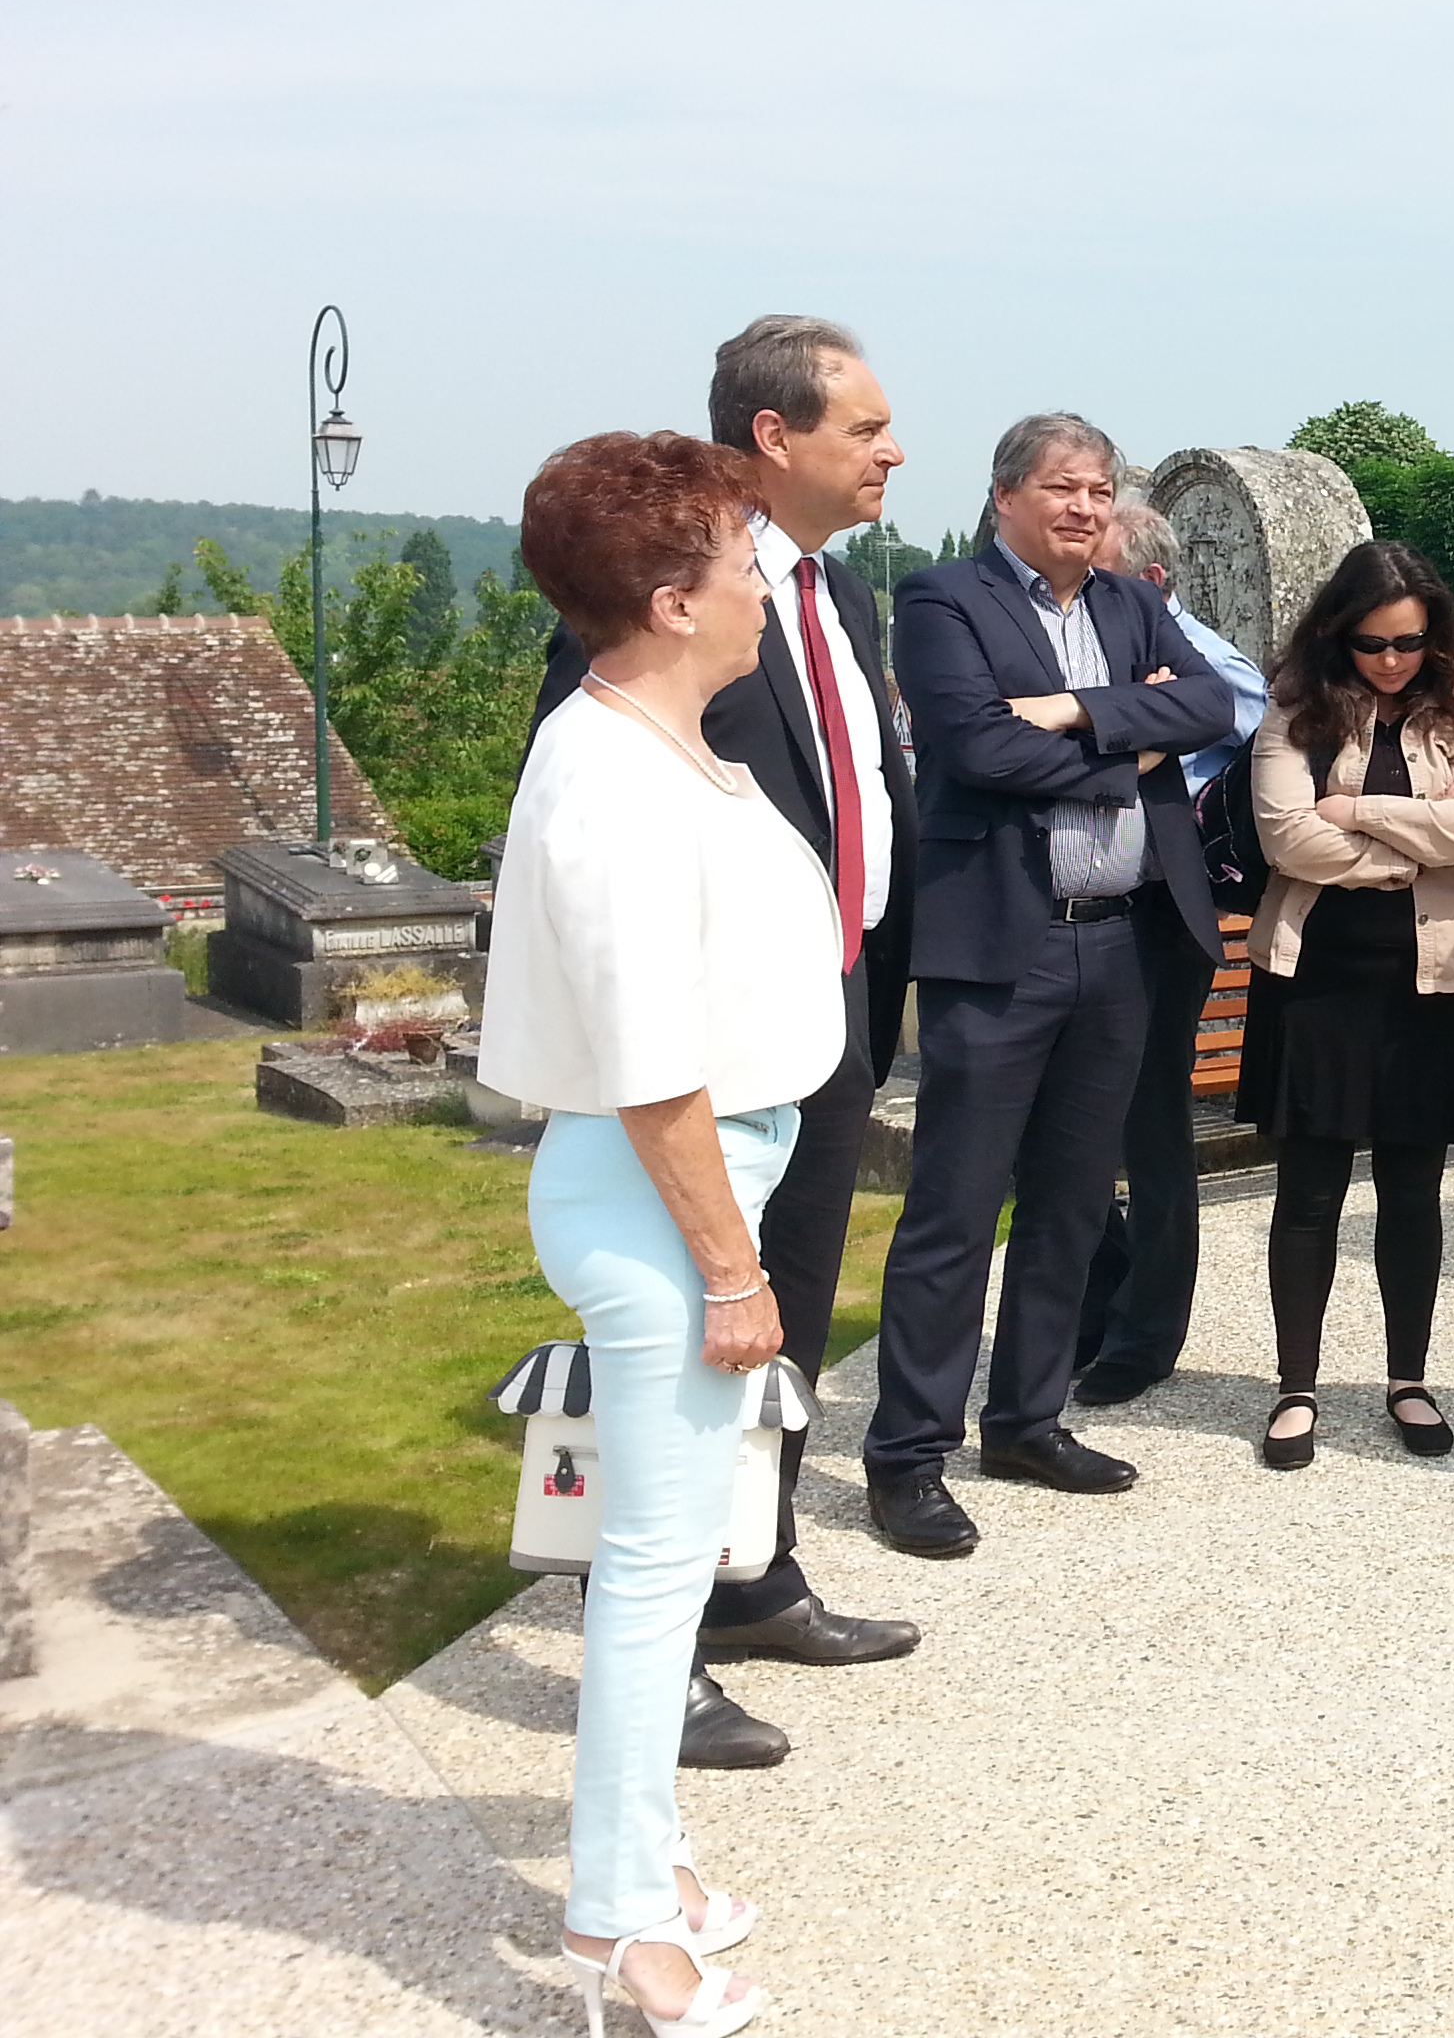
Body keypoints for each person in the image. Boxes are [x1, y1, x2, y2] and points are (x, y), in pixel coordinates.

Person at [483, 430, 845, 2038]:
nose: (762, 581)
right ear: (664, 594)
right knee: (651, 1572)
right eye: (739, 557)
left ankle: (651, 1855)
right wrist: (734, 1273)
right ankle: (616, 1925)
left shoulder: (660, 737)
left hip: (696, 1180)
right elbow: (649, 1071)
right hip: (663, 1203)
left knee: (668, 1554)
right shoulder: (607, 774)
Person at [533, 315, 918, 1775]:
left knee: (794, 1319)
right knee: (695, 1342)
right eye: (867, 426)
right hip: (693, 1063)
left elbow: (863, 796)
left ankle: (756, 1577)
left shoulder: (840, 603)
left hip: (826, 1021)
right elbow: (594, 850)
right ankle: (661, 1644)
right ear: (775, 438)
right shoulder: (669, 602)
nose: (893, 450)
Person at [860, 415, 1235, 1559]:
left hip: (1122, 943)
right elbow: (978, 752)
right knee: (958, 1207)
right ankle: (908, 1456)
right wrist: (1136, 742)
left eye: (1097, 490)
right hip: (1002, 948)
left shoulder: (1128, 604)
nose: (1083, 507)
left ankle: (1026, 1419)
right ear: (1006, 496)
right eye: (1060, 488)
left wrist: (1077, 711)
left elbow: (1213, 705)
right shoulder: (944, 600)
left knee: (1076, 1198)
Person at [1240, 539, 1454, 1468]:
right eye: (1373, 644)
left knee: (1412, 1191)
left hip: (1429, 978)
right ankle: (1295, 1387)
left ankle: (1408, 1377)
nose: (1394, 662)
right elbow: (1286, 842)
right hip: (1317, 977)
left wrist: (1353, 813)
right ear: (1336, 635)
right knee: (1309, 1192)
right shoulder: (1294, 708)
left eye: (1410, 643)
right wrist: (1423, 849)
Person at [1071, 495, 1269, 1408]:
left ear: (1149, 582)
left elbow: (1263, 747)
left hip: (1160, 915)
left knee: (1150, 1128)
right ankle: (1090, 1307)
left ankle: (1147, 1334)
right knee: (1071, 1129)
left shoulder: (1208, 659)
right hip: (1082, 911)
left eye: (1096, 563)